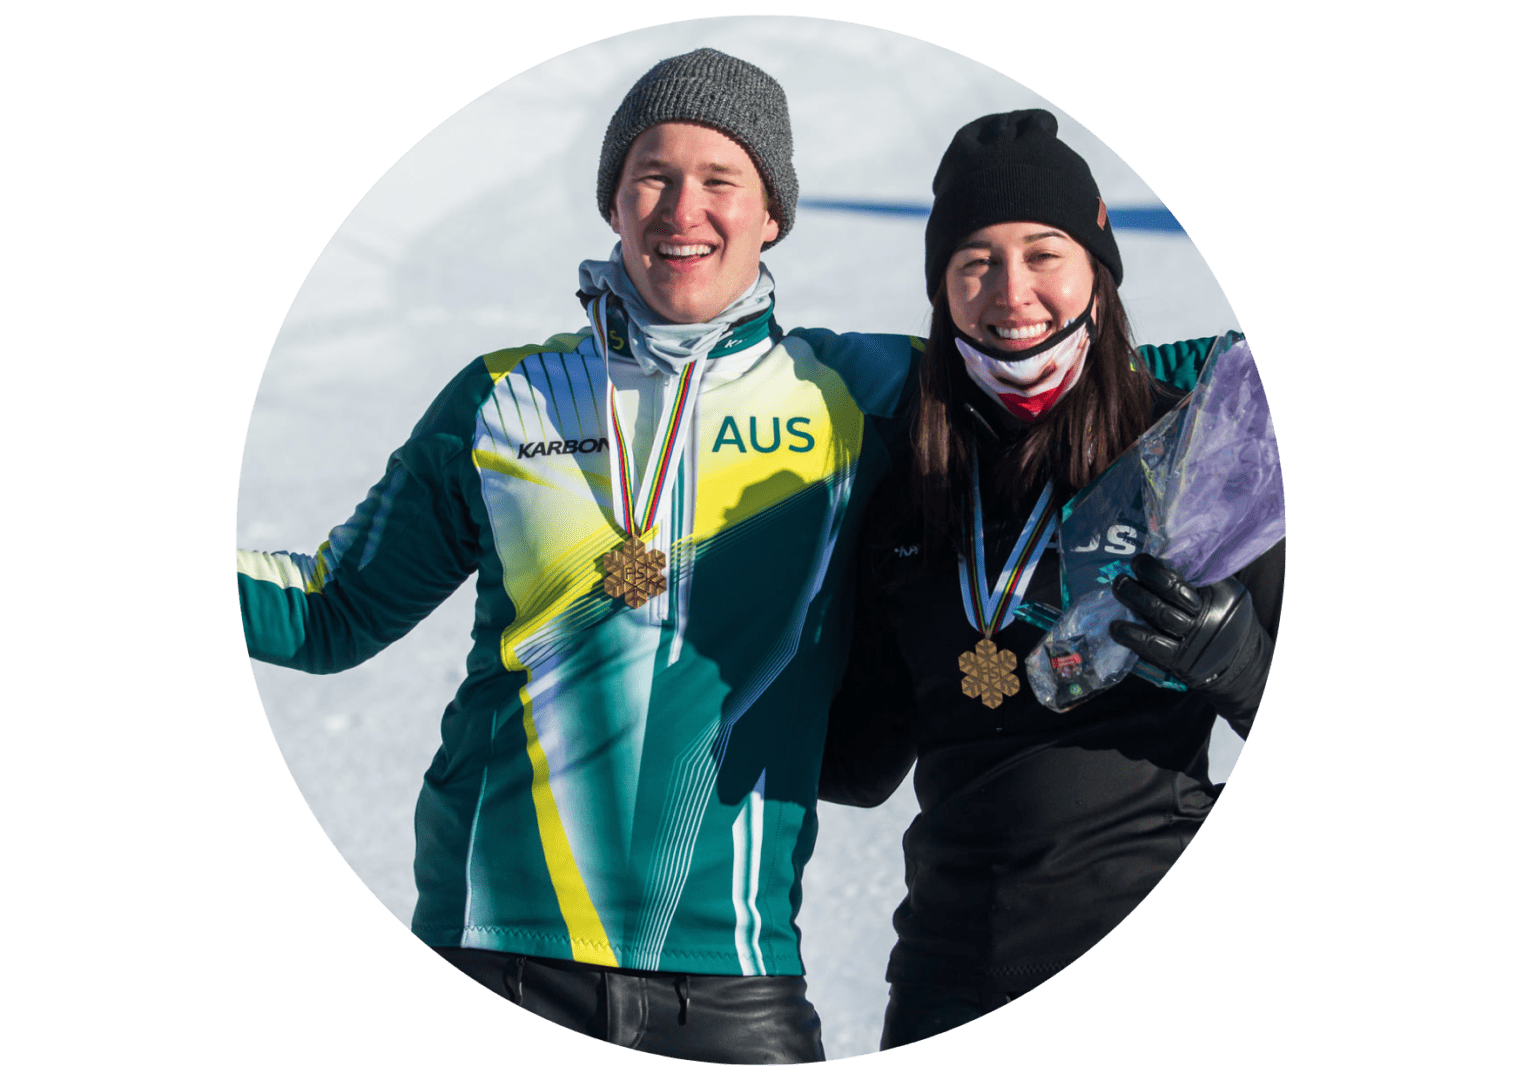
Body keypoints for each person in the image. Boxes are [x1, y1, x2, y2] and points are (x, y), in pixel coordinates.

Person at [235, 49, 919, 1065]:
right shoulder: (503, 399)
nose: (681, 208)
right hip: (494, 953)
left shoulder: (859, 392)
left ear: (771, 212)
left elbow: (1091, 394)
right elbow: (332, 611)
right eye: (652, 175)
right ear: (613, 202)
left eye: (720, 180)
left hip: (730, 975)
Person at [817, 110, 1286, 1050]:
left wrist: (1239, 663)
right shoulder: (905, 485)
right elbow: (861, 763)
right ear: (942, 292)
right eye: (974, 262)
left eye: (1044, 252)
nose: (1011, 291)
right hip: (947, 979)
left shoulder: (1196, 456)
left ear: (1099, 272)